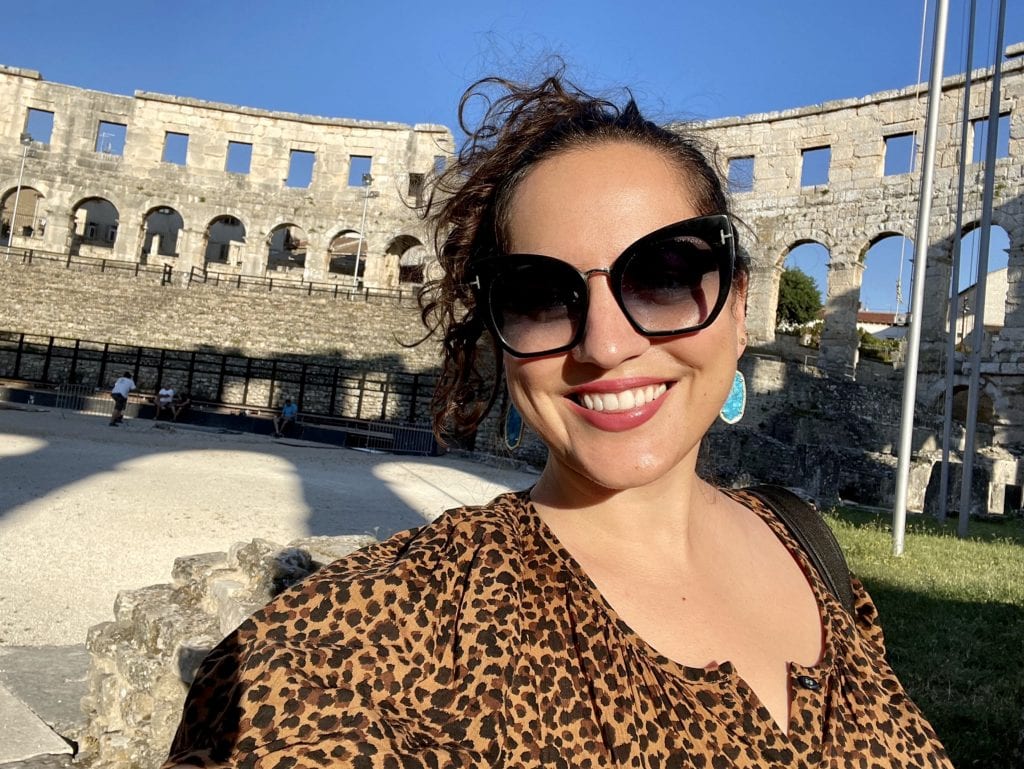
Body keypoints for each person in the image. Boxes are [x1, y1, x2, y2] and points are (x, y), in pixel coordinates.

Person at [165, 73, 952, 767]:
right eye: (541, 295)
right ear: (500, 338)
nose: (607, 344)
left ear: (740, 305)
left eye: (666, 276)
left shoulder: (814, 555)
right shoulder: (386, 635)